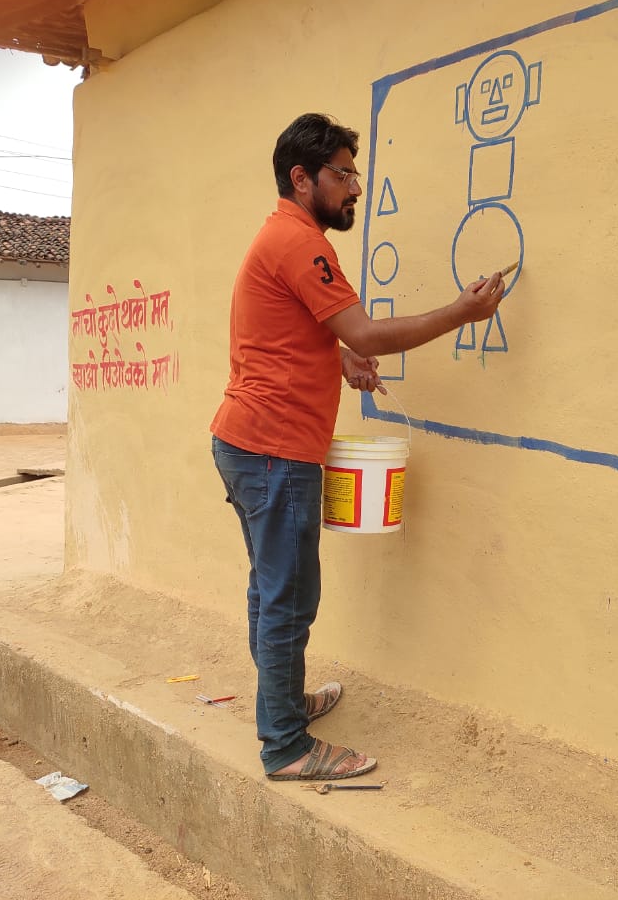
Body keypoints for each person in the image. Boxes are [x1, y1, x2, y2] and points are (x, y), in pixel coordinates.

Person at [210, 113, 506, 782]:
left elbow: (289, 329)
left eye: (354, 174)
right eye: (343, 175)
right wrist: (462, 313)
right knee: (290, 598)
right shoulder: (301, 243)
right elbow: (369, 333)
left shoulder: (280, 238)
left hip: (246, 444)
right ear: (302, 177)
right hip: (274, 452)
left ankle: (282, 704)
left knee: (272, 588)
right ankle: (285, 745)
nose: (354, 189)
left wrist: (336, 357)